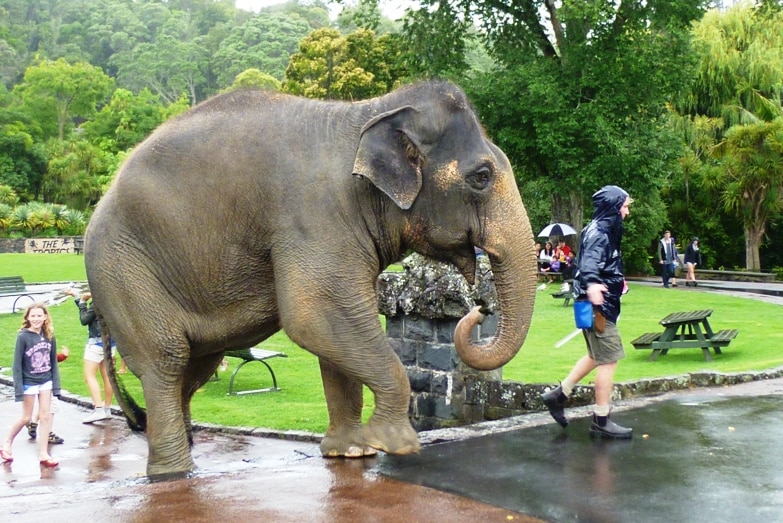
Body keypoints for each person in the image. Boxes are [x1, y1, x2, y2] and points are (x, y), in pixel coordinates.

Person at [540, 185, 634, 439]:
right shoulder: (601, 233)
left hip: (591, 305)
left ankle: (559, 395)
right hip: (597, 306)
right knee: (609, 359)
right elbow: (590, 263)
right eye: (625, 207)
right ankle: (601, 420)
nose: (627, 212)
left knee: (595, 354)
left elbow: (597, 262)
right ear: (614, 207)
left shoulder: (597, 230)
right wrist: (593, 284)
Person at [2, 303, 62, 467]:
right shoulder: (23, 337)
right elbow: (17, 365)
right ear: (27, 318)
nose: (36, 319)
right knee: (27, 417)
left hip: (46, 380)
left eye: (39, 316)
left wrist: (56, 385)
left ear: (45, 317)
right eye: (33, 316)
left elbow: (53, 363)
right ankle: (7, 442)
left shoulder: (49, 335)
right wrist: (18, 389)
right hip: (29, 382)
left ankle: (43, 453)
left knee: (45, 416)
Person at [65, 288, 114, 424]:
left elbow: (84, 319)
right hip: (111, 343)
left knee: (89, 376)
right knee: (107, 376)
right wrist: (77, 298)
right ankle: (107, 409)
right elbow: (91, 314)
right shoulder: (111, 299)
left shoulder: (98, 301)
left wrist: (81, 301)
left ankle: (98, 410)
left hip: (96, 343)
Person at [27, 346, 70, 445]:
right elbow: (49, 359)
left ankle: (33, 423)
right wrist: (62, 356)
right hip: (46, 381)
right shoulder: (41, 341)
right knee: (51, 407)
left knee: (45, 405)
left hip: (38, 379)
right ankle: (48, 434)